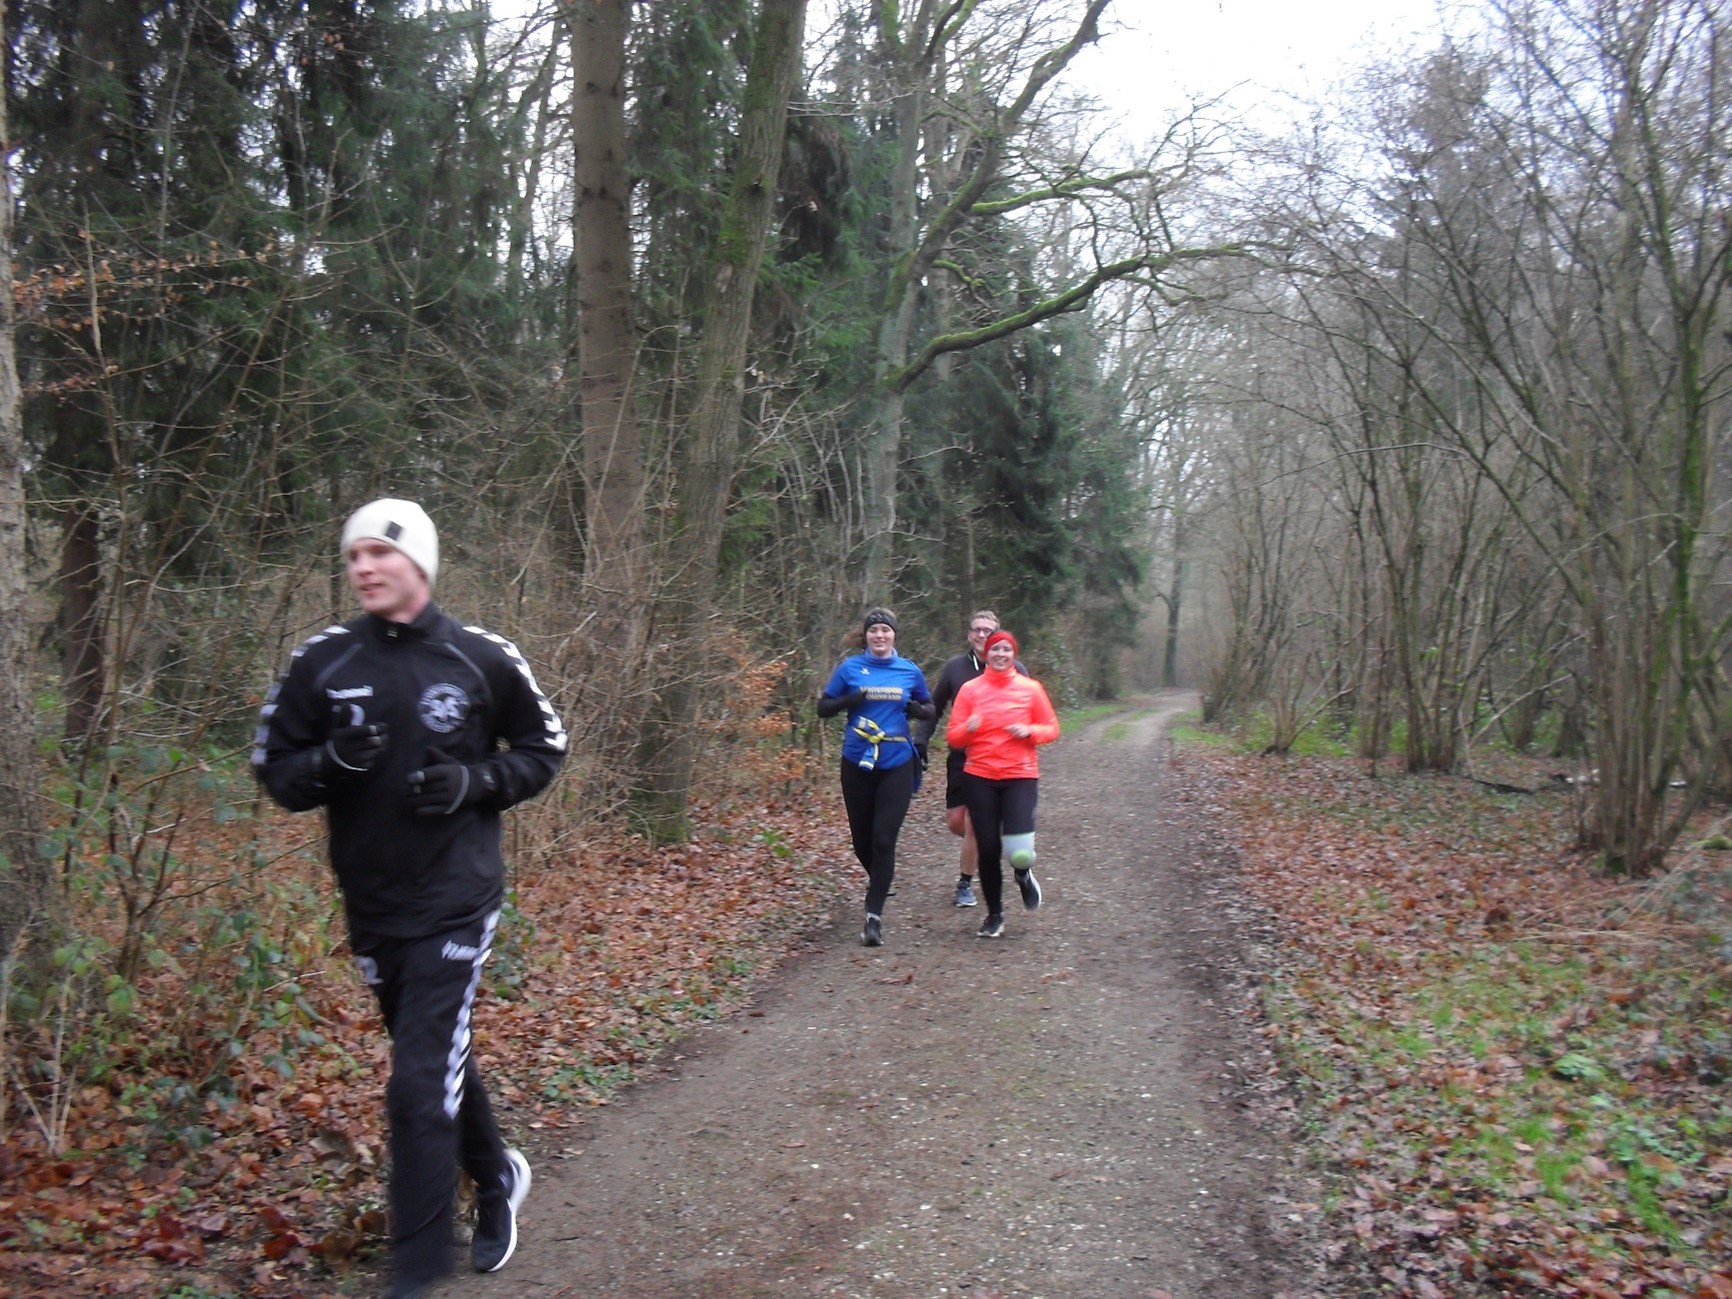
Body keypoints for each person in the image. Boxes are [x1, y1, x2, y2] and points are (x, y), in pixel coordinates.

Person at [253, 499, 568, 1299]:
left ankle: (416, 1273)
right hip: (373, 901)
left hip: (458, 897)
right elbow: (277, 771)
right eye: (353, 555)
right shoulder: (320, 661)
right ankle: (497, 1176)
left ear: (418, 565)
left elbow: (544, 748)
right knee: (435, 1062)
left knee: (417, 1081)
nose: (362, 567)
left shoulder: (479, 657)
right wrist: (330, 761)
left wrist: (475, 781)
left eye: (379, 555)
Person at [817, 608, 935, 947]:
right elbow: (822, 709)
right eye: (874, 631)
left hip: (896, 761)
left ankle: (873, 916)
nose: (879, 636)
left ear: (894, 635)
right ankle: (880, 879)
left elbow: (929, 709)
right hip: (857, 762)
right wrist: (848, 701)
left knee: (884, 839)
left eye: (885, 630)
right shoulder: (850, 668)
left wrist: (918, 713)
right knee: (861, 841)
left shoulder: (908, 671)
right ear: (866, 636)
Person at [946, 629, 1059, 939]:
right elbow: (953, 736)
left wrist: (1029, 730)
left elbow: (1051, 728)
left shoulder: (1030, 689)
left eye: (1006, 650)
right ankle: (994, 915)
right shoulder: (970, 690)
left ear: (1014, 654)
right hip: (979, 775)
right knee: (988, 848)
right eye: (995, 650)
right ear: (987, 654)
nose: (1000, 654)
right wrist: (967, 730)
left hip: (1020, 775)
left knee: (1019, 852)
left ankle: (1023, 875)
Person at [918, 609, 1024, 908]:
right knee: (956, 821)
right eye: (977, 630)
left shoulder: (1016, 669)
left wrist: (1026, 736)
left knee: (976, 822)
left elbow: (1031, 707)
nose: (982, 635)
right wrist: (921, 740)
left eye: (988, 630)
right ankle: (990, 836)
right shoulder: (955, 668)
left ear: (997, 635)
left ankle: (964, 883)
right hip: (960, 757)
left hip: (995, 761)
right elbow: (933, 708)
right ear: (969, 635)